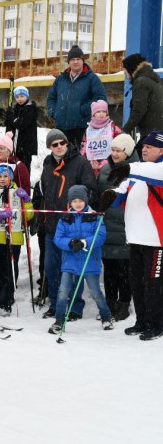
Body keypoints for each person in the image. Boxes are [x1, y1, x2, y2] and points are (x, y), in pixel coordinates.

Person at [100, 130, 163, 340]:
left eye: (149, 147)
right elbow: (123, 190)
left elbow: (149, 173)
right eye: (143, 146)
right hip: (136, 238)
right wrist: (111, 196)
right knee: (137, 282)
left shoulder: (156, 170)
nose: (144, 149)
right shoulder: (136, 174)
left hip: (156, 240)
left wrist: (127, 167)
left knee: (154, 284)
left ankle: (157, 324)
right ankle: (142, 321)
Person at [32, 129, 97, 320]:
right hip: (52, 226)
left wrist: (77, 209)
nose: (60, 147)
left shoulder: (80, 163)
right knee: (52, 268)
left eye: (62, 143)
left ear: (67, 143)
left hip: (73, 226)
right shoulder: (48, 164)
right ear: (49, 147)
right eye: (55, 144)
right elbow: (44, 191)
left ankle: (75, 307)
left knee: (72, 268)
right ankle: (56, 303)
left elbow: (91, 191)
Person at [49, 185, 112, 334]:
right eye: (74, 201)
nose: (77, 204)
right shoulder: (65, 217)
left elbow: (100, 236)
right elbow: (58, 238)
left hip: (89, 260)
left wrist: (85, 242)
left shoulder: (95, 216)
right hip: (70, 261)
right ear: (70, 202)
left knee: (96, 291)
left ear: (86, 200)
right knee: (63, 292)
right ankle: (59, 320)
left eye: (80, 200)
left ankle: (106, 316)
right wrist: (70, 243)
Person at [0, 164, 34, 316]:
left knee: (10, 272)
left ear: (10, 177)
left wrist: (27, 200)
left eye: (6, 176)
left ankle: (7, 300)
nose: (3, 179)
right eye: (0, 176)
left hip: (14, 238)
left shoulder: (18, 193)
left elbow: (28, 216)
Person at [96, 133, 137, 322]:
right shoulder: (105, 170)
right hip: (106, 226)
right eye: (112, 150)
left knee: (124, 270)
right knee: (110, 270)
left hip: (126, 226)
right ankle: (110, 304)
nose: (114, 154)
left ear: (127, 152)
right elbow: (99, 194)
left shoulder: (136, 170)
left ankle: (123, 304)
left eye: (118, 151)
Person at [47, 45, 107, 148]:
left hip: (82, 127)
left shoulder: (91, 78)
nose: (75, 62)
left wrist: (83, 110)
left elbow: (100, 98)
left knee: (80, 159)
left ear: (83, 61)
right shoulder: (61, 79)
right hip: (62, 128)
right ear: (69, 62)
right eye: (73, 59)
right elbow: (51, 98)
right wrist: (54, 112)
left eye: (78, 59)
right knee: (63, 159)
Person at [121, 53, 163, 154]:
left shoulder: (141, 82)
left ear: (131, 69)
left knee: (140, 158)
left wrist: (124, 131)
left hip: (151, 132)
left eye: (126, 72)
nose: (126, 75)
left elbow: (139, 110)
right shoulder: (154, 79)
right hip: (158, 131)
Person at [80, 100, 123, 177]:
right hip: (92, 166)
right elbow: (84, 147)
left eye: (103, 111)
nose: (101, 114)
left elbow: (121, 143)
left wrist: (105, 163)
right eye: (98, 111)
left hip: (110, 165)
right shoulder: (88, 130)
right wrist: (86, 162)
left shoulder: (112, 128)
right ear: (93, 114)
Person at [4, 86, 38, 172]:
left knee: (24, 166)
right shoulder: (16, 108)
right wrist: (8, 118)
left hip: (26, 144)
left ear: (27, 96)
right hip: (16, 143)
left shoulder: (30, 108)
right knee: (16, 165)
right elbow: (11, 125)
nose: (20, 99)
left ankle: (25, 183)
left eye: (22, 96)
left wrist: (11, 118)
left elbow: (21, 124)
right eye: (17, 97)